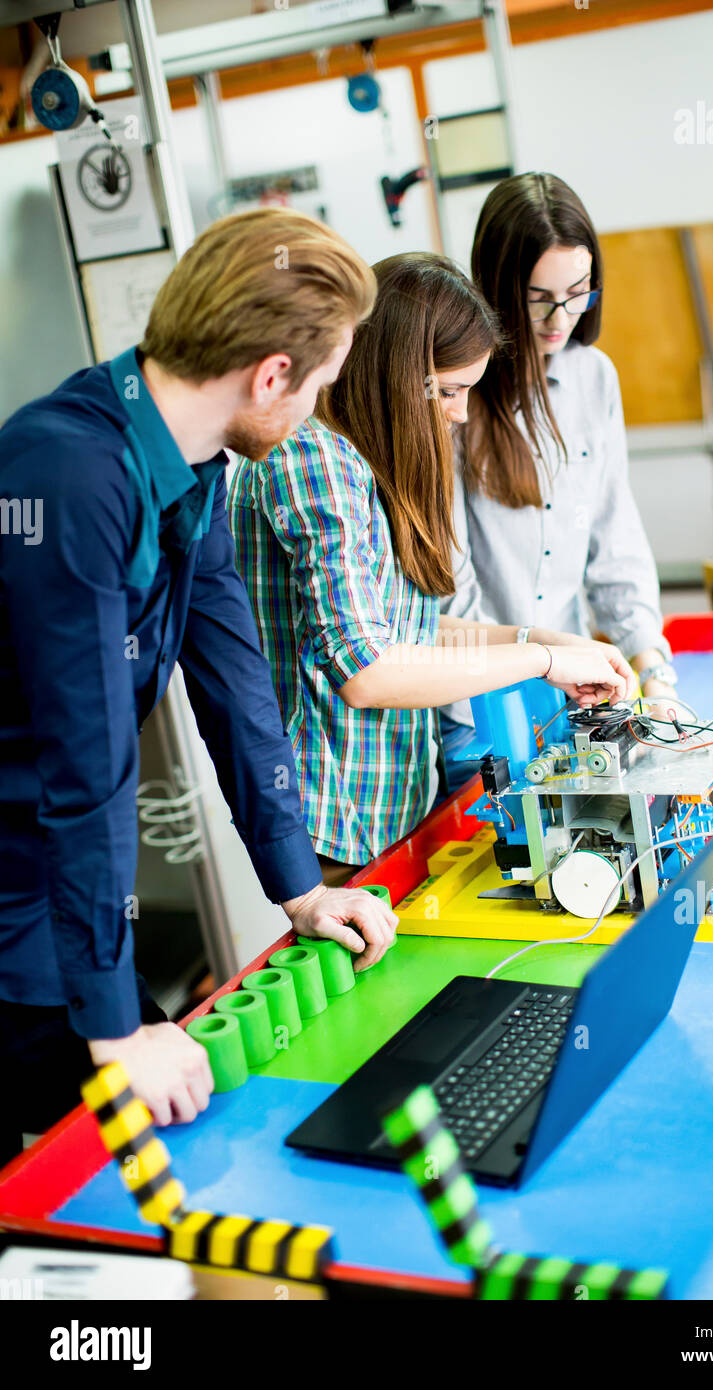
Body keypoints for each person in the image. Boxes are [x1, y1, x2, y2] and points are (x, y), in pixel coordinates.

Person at [0, 208, 398, 1163]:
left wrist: (299, 887)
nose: (314, 411)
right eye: (322, 387)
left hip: (42, 877)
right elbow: (86, 764)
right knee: (100, 1157)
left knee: (157, 1125)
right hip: (17, 886)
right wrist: (114, 1032)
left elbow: (234, 678)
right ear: (271, 375)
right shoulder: (67, 474)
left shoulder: (196, 461)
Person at [229, 252, 634, 875]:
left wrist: (540, 637)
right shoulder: (317, 463)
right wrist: (542, 661)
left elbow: (406, 628)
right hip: (338, 821)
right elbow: (367, 671)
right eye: (448, 391)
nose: (461, 413)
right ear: (395, 377)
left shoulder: (362, 461)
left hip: (396, 806)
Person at [439, 172, 679, 784]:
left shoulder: (594, 379)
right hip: (477, 715)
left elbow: (613, 537)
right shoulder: (456, 397)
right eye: (538, 297)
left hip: (573, 700)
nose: (560, 317)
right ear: (496, 289)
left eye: (578, 293)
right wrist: (538, 666)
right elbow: (449, 588)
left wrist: (655, 674)